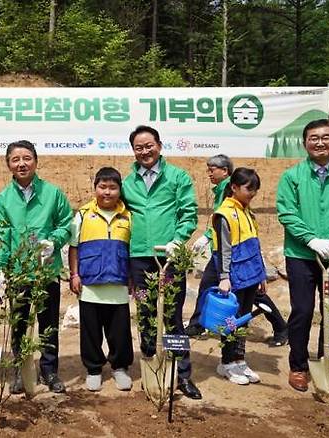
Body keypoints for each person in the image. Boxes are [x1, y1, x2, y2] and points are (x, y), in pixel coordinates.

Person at [276, 119, 329, 392]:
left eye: (326, 137)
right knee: (302, 310)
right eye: (314, 138)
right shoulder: (292, 177)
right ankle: (298, 366)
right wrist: (310, 239)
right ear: (305, 143)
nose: (320, 142)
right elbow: (287, 212)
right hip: (300, 254)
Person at [121, 125, 202, 400]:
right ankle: (152, 369)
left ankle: (182, 375)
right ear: (133, 151)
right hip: (140, 260)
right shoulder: (127, 182)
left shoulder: (177, 176)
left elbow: (188, 213)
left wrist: (178, 240)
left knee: (172, 315)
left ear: (159, 145)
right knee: (145, 312)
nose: (145, 151)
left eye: (149, 145)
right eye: (138, 147)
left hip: (169, 259)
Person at [0, 140, 72, 394]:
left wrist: (55, 240)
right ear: (9, 165)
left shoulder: (52, 193)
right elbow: (1, 237)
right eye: (15, 159)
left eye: (26, 158)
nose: (21, 163)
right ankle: (21, 370)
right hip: (19, 273)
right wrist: (2, 270)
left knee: (48, 324)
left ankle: (50, 371)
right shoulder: (3, 200)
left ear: (36, 161)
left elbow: (66, 223)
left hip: (46, 271)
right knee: (19, 325)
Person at [187, 155, 288, 347]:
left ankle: (279, 326)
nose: (209, 173)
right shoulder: (224, 192)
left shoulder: (234, 194)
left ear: (225, 171)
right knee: (208, 285)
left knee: (251, 294)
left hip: (234, 257)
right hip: (223, 254)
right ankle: (197, 324)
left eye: (212, 169)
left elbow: (227, 226)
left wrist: (207, 236)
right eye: (208, 169)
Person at [68, 167, 134, 392]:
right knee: (91, 331)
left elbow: (133, 249)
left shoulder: (128, 216)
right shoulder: (83, 214)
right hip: (90, 284)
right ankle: (94, 369)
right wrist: (75, 274)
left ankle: (120, 367)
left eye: (113, 187)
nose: (107, 192)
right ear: (95, 188)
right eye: (102, 187)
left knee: (119, 330)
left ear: (119, 190)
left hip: (118, 283)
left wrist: (132, 278)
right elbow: (74, 247)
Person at [212, 168, 267, 385]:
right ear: (234, 187)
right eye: (248, 189)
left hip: (251, 275)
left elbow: (255, 246)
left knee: (244, 320)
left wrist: (260, 274)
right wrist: (224, 277)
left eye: (255, 189)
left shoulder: (247, 211)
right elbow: (224, 249)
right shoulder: (225, 214)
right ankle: (226, 363)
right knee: (231, 321)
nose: (252, 193)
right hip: (234, 276)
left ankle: (239, 360)